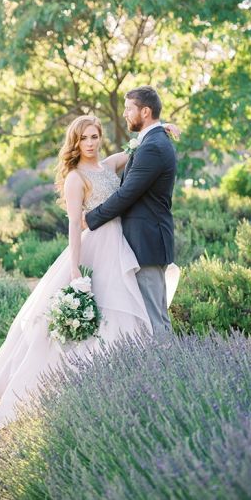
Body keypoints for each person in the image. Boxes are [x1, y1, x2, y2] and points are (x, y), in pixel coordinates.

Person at [0, 110, 180, 428]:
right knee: (99, 314)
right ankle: (66, 389)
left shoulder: (107, 166)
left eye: (95, 137)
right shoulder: (75, 178)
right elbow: (73, 227)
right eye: (84, 138)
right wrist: (76, 268)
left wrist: (162, 127)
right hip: (95, 246)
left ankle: (121, 386)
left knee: (124, 311)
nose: (91, 143)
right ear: (74, 142)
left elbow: (137, 147)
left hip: (121, 245)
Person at [85, 86, 177, 335]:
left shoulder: (153, 147)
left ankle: (170, 371)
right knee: (150, 318)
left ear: (145, 112)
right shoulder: (151, 141)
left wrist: (90, 219)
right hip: (142, 240)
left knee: (154, 319)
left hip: (147, 241)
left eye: (129, 109)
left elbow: (127, 194)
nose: (125, 114)